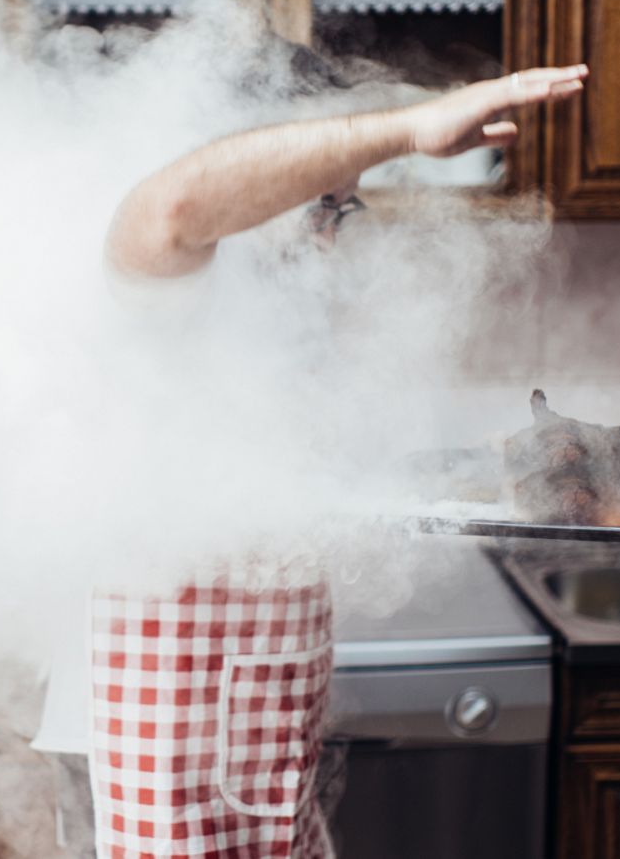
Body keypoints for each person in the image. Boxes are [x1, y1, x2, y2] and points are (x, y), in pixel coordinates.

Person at [36, 63, 589, 859]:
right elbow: (172, 207)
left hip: (244, 746)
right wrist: (406, 127)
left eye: (343, 203)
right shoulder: (165, 291)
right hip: (152, 756)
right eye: (321, 199)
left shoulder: (281, 321)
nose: (334, 233)